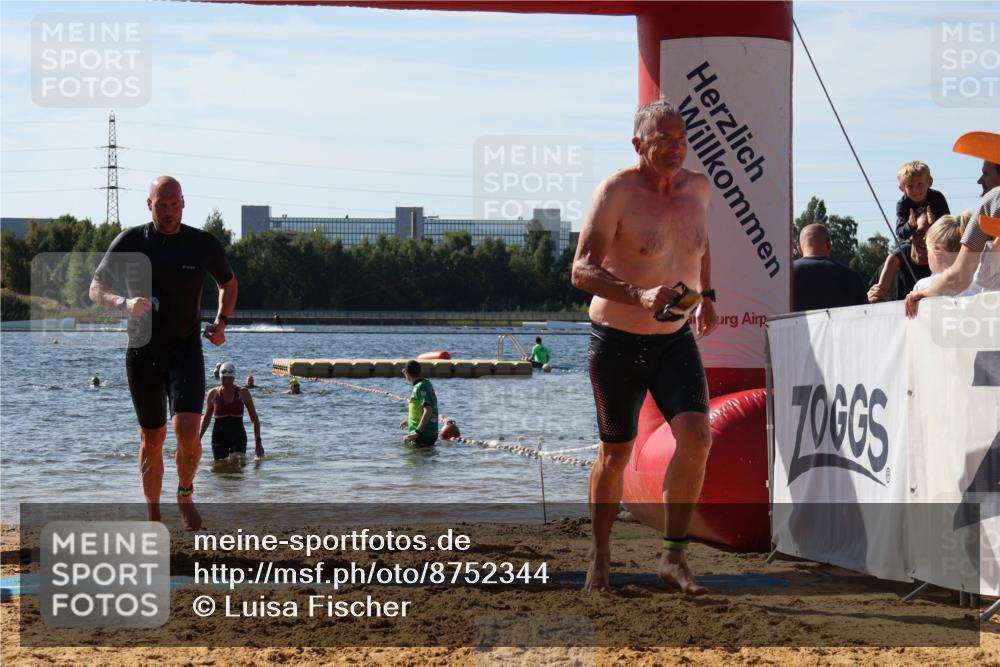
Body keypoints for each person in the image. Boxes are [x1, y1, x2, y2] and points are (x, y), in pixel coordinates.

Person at [570, 98, 719, 596]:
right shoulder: (615, 192)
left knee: (698, 438)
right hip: (615, 342)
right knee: (615, 456)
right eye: (663, 141)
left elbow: (701, 246)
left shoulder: (698, 187)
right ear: (639, 145)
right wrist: (637, 293)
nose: (676, 149)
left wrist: (709, 298)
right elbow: (580, 270)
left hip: (673, 340)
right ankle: (599, 558)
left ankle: (673, 558)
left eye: (681, 139)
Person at [89, 175, 237, 530]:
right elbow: (96, 288)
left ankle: (185, 493)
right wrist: (123, 302)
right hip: (142, 353)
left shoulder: (201, 244)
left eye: (174, 205)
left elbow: (227, 283)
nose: (168, 212)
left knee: (188, 431)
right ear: (149, 204)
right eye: (161, 205)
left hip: (185, 350)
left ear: (183, 203)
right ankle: (153, 515)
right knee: (151, 438)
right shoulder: (131, 241)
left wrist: (221, 322)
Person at [906, 132, 1000, 317]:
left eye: (985, 173)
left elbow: (959, 277)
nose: (980, 180)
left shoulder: (993, 200)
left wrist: (922, 293)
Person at [199, 362, 263, 465]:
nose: (227, 381)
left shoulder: (243, 392)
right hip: (219, 436)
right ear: (220, 377)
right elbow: (206, 419)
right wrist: (198, 439)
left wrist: (258, 442)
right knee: (220, 467)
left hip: (238, 434)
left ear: (234, 378)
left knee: (238, 461)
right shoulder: (213, 393)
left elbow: (254, 418)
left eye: (229, 378)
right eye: (224, 378)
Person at [792, 224, 867, 311]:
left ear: (799, 249)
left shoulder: (786, 276)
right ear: (828, 243)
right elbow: (864, 316)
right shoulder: (852, 277)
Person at [868, 212, 932, 303]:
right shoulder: (889, 267)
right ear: (911, 235)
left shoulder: (942, 272)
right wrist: (869, 296)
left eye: (930, 234)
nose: (924, 239)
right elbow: (870, 298)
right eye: (920, 233)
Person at [895, 160, 950, 241]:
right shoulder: (902, 204)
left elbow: (949, 224)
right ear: (902, 188)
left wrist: (935, 220)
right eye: (910, 186)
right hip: (913, 242)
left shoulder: (937, 197)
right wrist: (909, 225)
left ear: (929, 183)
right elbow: (900, 233)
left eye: (920, 184)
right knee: (893, 254)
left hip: (936, 240)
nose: (916, 190)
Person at [398, 360, 439, 447]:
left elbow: (428, 410)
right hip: (429, 434)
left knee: (412, 458)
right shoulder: (426, 383)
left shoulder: (420, 387)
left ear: (407, 374)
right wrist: (408, 421)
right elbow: (420, 410)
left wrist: (416, 433)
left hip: (422, 435)